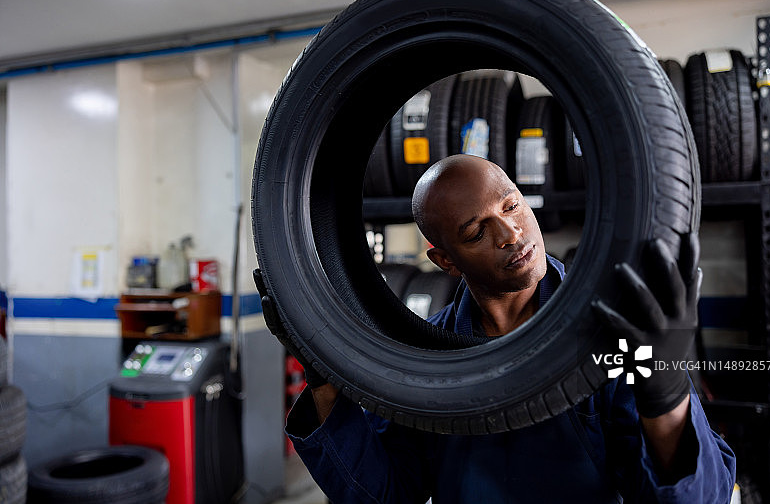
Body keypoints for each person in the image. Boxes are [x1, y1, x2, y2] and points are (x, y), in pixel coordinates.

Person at [254, 154, 736, 503]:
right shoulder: (425, 359)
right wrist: (323, 380)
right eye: (475, 231)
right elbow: (384, 495)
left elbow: (699, 499)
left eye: (511, 206)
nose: (510, 234)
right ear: (445, 261)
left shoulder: (612, 333)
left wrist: (666, 392)